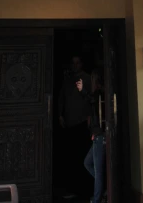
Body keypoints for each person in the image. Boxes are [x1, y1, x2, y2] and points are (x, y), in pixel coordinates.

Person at [58, 56, 92, 199]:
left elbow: (92, 98)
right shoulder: (67, 80)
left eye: (77, 63)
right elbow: (61, 97)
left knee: (83, 157)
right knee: (71, 157)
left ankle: (86, 190)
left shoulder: (87, 78)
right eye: (73, 63)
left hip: (83, 122)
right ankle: (73, 190)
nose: (75, 65)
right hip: (70, 122)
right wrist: (60, 114)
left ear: (81, 64)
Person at [77, 70, 106, 203]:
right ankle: (104, 187)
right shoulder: (98, 94)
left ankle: (97, 199)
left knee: (97, 171)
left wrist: (83, 90)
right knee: (87, 163)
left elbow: (91, 99)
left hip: (100, 137)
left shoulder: (99, 94)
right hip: (97, 135)